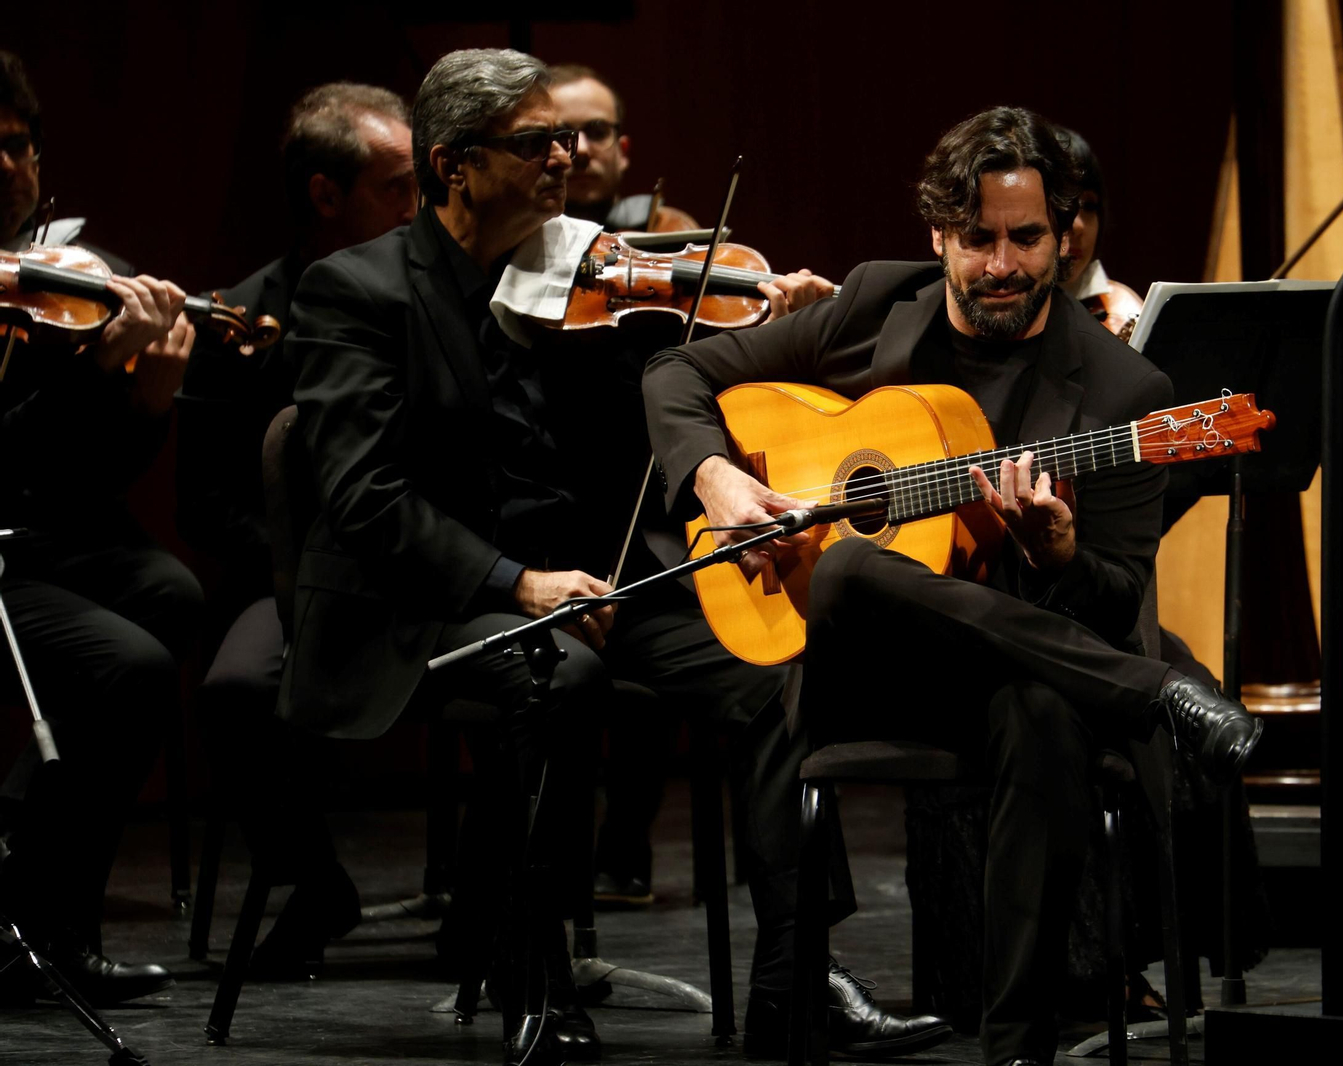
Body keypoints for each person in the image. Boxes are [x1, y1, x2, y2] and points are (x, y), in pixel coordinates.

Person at [284, 48, 948, 1064]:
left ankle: (797, 975)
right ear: (455, 165)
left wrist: (775, 318)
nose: (567, 159)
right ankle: (531, 971)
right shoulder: (358, 291)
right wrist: (515, 581)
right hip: (424, 596)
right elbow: (363, 498)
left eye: (571, 137)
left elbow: (684, 386)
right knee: (561, 675)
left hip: (597, 579)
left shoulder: (592, 275)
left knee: (770, 667)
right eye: (537, 143)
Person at [642, 105, 1263, 1066]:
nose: (1002, 264)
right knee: (847, 563)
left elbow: (1115, 602)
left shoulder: (1126, 398)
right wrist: (719, 480)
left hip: (1018, 672)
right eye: (977, 240)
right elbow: (675, 374)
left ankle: (1016, 1048)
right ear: (939, 235)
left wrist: (1057, 555)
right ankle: (1164, 700)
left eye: (1026, 238)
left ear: (1066, 238)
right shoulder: (875, 305)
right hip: (861, 673)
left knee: (1043, 712)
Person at [175, 81, 417, 975]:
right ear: (325, 194)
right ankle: (314, 882)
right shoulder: (240, 317)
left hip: (426, 566)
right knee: (236, 689)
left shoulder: (438, 297)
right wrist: (299, 564)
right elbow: (201, 502)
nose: (419, 209)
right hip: (298, 581)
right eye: (398, 187)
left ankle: (499, 906)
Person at [0, 49, 203, 1006]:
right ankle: (51, 927)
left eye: (19, 146)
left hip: (36, 538)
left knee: (175, 594)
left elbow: (83, 480)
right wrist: (89, 378)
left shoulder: (72, 281)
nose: (7, 168)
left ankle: (24, 847)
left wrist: (147, 399)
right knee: (127, 667)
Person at [548, 63, 697, 232]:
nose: (581, 149)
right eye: (562, 136)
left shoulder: (668, 229)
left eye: (597, 132)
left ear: (623, 152)